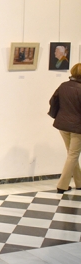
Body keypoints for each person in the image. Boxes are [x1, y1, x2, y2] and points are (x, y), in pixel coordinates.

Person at [49, 63, 81, 194]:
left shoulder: (63, 85)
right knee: (73, 155)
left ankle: (79, 182)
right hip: (77, 126)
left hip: (62, 124)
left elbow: (53, 102)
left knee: (71, 154)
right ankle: (62, 185)